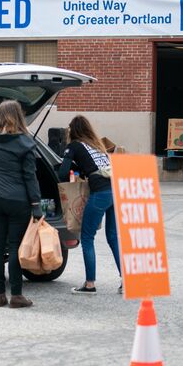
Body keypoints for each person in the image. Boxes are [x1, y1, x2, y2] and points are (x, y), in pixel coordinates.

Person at [0, 73, 42, 309]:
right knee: (14, 247)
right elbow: (29, 177)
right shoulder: (25, 143)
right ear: (19, 117)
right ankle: (17, 296)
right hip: (17, 200)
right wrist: (36, 206)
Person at [58, 115, 121, 295]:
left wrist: (71, 163)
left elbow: (63, 174)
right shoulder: (97, 145)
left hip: (100, 193)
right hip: (115, 191)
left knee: (87, 237)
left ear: (73, 130)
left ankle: (90, 284)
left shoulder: (74, 145)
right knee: (113, 237)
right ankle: (126, 281)